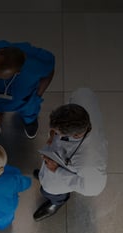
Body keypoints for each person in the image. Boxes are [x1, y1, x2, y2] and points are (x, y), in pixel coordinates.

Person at [33, 88, 108, 221]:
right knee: (45, 176)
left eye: (57, 132)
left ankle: (57, 202)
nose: (54, 132)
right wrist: (53, 135)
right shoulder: (82, 97)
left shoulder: (90, 163)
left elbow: (92, 189)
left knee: (49, 190)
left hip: (61, 178)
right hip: (56, 160)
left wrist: (57, 171)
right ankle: (44, 176)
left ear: (75, 135)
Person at [0, 40, 55, 139]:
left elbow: (50, 71)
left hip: (26, 102)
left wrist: (38, 95)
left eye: (2, 75)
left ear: (17, 72)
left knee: (30, 111)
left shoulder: (39, 62)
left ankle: (29, 121)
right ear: (0, 53)